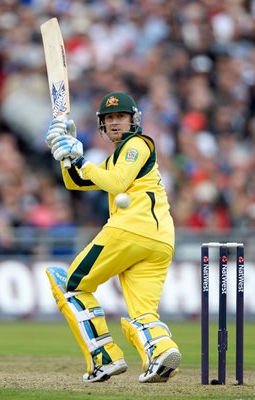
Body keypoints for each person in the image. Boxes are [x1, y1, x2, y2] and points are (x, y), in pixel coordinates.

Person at [45, 92, 181, 383]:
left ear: (134, 120)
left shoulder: (138, 144)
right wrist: (65, 156)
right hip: (160, 240)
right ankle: (161, 354)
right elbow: (78, 182)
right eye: (109, 118)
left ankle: (103, 358)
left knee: (71, 286)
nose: (115, 122)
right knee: (143, 312)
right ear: (102, 125)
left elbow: (117, 184)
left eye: (121, 116)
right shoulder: (114, 158)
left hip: (131, 229)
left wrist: (80, 158)